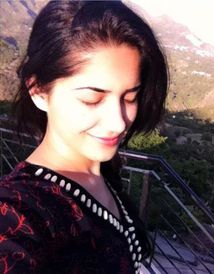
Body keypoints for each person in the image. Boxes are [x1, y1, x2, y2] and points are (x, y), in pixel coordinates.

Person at [0, 1, 168, 273]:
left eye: (130, 97)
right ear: (38, 90)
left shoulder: (103, 170)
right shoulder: (19, 209)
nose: (117, 123)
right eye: (91, 99)